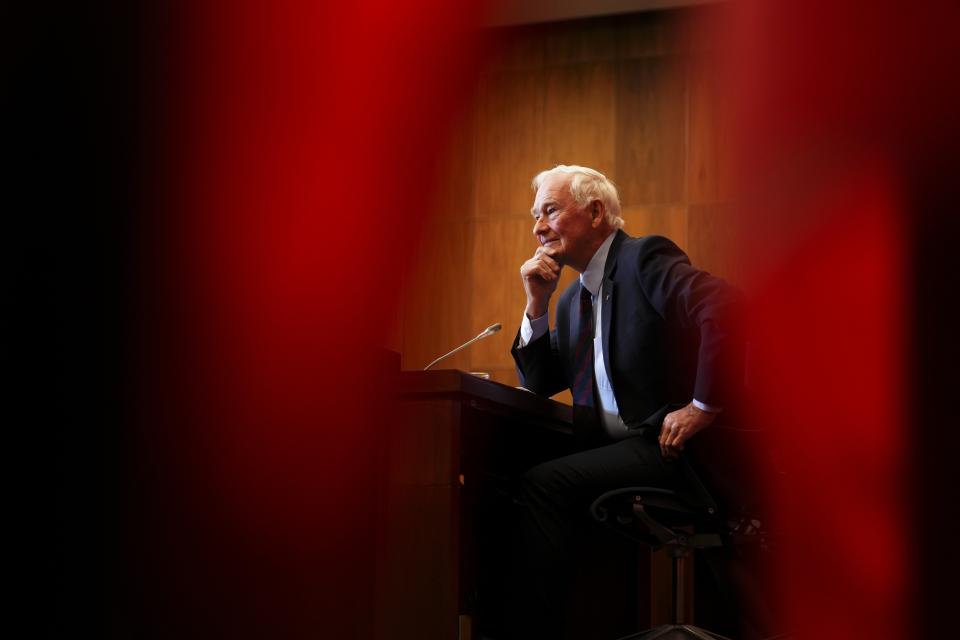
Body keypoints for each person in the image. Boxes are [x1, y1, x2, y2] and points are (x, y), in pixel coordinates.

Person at [507, 165, 763, 639]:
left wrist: (702, 407)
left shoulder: (643, 258)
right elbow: (540, 382)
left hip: (675, 452)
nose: (538, 226)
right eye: (534, 215)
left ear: (596, 212)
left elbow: (724, 305)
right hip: (622, 454)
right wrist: (536, 303)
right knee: (517, 472)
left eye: (550, 211)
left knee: (543, 484)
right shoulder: (572, 300)